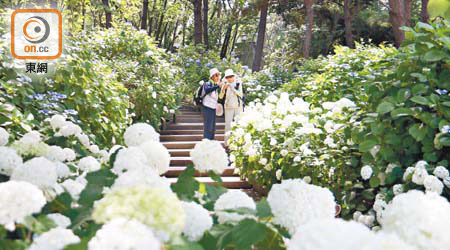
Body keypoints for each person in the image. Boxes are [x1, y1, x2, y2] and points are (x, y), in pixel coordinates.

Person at [219, 69, 244, 146]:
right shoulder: (224, 84)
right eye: (228, 77)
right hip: (228, 107)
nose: (230, 78)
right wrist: (223, 89)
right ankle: (226, 144)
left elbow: (241, 94)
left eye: (231, 76)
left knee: (239, 124)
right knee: (228, 125)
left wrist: (232, 88)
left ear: (234, 76)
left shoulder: (238, 83)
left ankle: (239, 143)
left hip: (238, 107)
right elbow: (220, 97)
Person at [201, 68, 222, 140]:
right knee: (208, 127)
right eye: (216, 75)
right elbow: (207, 90)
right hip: (207, 107)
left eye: (218, 75)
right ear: (212, 76)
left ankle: (211, 143)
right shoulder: (208, 83)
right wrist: (218, 86)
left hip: (213, 108)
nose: (218, 77)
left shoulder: (215, 85)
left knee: (212, 127)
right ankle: (206, 143)